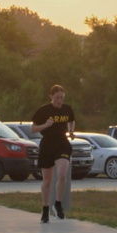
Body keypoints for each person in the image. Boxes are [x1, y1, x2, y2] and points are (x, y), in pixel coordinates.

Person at [31, 85, 76, 223]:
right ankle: (45, 208)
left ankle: (58, 203)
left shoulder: (67, 109)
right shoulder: (43, 110)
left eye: (62, 98)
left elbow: (71, 120)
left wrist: (71, 131)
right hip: (47, 145)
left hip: (62, 144)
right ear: (51, 97)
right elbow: (33, 129)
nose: (59, 100)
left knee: (62, 174)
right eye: (57, 98)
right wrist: (45, 125)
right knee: (47, 181)